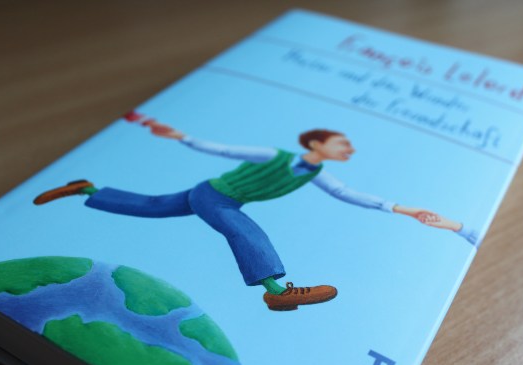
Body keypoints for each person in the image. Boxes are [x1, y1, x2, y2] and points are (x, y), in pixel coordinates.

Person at [34, 110, 477, 311]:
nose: (349, 149)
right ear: (317, 142)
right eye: (343, 143)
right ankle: (277, 290)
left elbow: (346, 194)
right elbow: (225, 150)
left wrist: (404, 209)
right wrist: (182, 137)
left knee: (152, 208)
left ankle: (87, 189)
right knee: (245, 232)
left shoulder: (315, 174)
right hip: (214, 194)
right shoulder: (275, 155)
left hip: (220, 198)